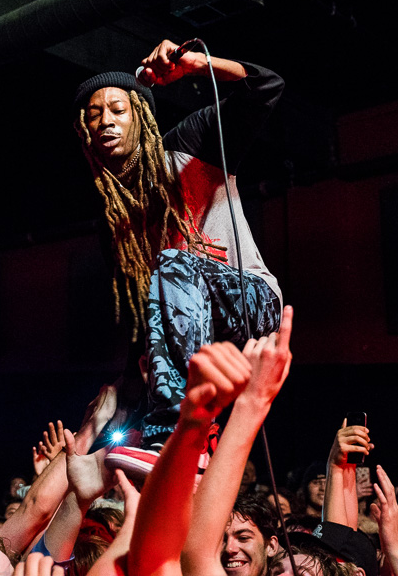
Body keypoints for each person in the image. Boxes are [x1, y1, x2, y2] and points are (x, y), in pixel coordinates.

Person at [72, 39, 284, 451]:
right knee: (166, 286)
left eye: (118, 110)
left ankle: (175, 428)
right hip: (192, 337)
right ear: (85, 132)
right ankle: (170, 439)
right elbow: (141, 318)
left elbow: (267, 87)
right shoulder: (114, 221)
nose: (106, 122)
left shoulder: (189, 144)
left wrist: (199, 65)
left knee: (173, 262)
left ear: (140, 117)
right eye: (94, 115)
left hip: (250, 303)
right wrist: (122, 397)